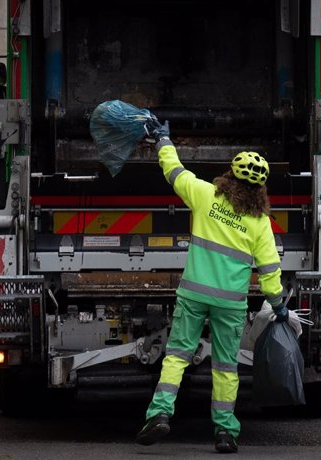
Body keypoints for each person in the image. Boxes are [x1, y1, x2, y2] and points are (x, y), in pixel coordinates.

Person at [136, 119, 286, 453]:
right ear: (260, 190)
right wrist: (278, 305)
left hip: (193, 294)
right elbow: (270, 269)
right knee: (225, 367)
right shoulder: (261, 223)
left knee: (176, 355)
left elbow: (174, 171)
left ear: (229, 176)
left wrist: (163, 139)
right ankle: (224, 432)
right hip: (230, 305)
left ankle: (160, 414)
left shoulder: (206, 195)